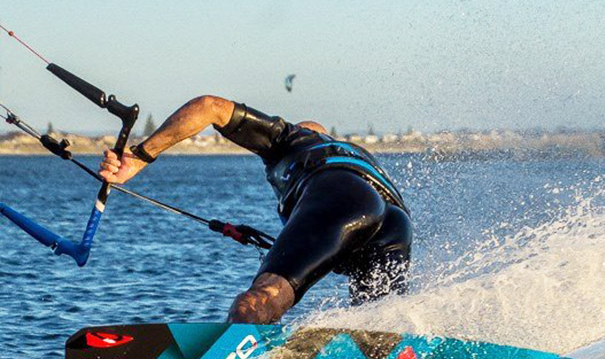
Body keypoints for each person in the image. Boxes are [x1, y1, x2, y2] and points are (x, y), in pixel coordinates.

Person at [99, 96, 412, 323]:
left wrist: (140, 156)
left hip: (341, 195)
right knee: (378, 326)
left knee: (258, 302)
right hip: (396, 224)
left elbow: (209, 106)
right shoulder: (359, 155)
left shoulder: (290, 139)